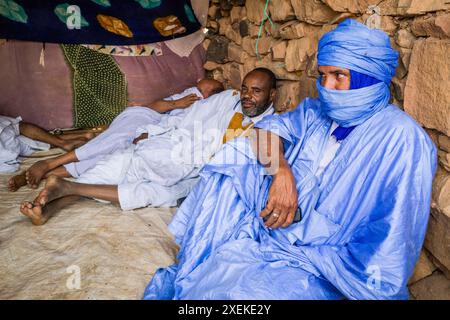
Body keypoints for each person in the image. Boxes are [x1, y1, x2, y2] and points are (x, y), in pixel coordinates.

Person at [142, 19, 437, 300]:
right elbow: (263, 133)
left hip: (327, 255)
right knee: (233, 160)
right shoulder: (315, 112)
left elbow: (391, 237)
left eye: (339, 76)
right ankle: (201, 256)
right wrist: (282, 173)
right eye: (322, 76)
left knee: (247, 294)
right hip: (277, 220)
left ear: (368, 76)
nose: (327, 88)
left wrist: (313, 251)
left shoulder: (401, 139)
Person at [19, 68, 278, 226]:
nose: (247, 95)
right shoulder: (226, 100)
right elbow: (187, 117)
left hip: (199, 174)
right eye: (245, 88)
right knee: (121, 163)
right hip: (175, 148)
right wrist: (153, 131)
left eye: (256, 91)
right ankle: (52, 201)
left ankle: (63, 191)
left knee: (155, 193)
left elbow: (259, 165)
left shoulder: (272, 126)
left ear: (272, 95)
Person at [8, 78, 224, 191]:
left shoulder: (205, 102)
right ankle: (48, 163)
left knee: (109, 157)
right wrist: (179, 103)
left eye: (210, 86)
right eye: (207, 84)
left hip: (150, 129)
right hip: (143, 117)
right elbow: (154, 106)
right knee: (111, 142)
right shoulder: (191, 94)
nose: (204, 84)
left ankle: (44, 175)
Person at [1, 115, 94, 174]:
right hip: (10, 149)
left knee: (18, 130)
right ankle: (69, 141)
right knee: (29, 141)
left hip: (10, 141)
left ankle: (63, 143)